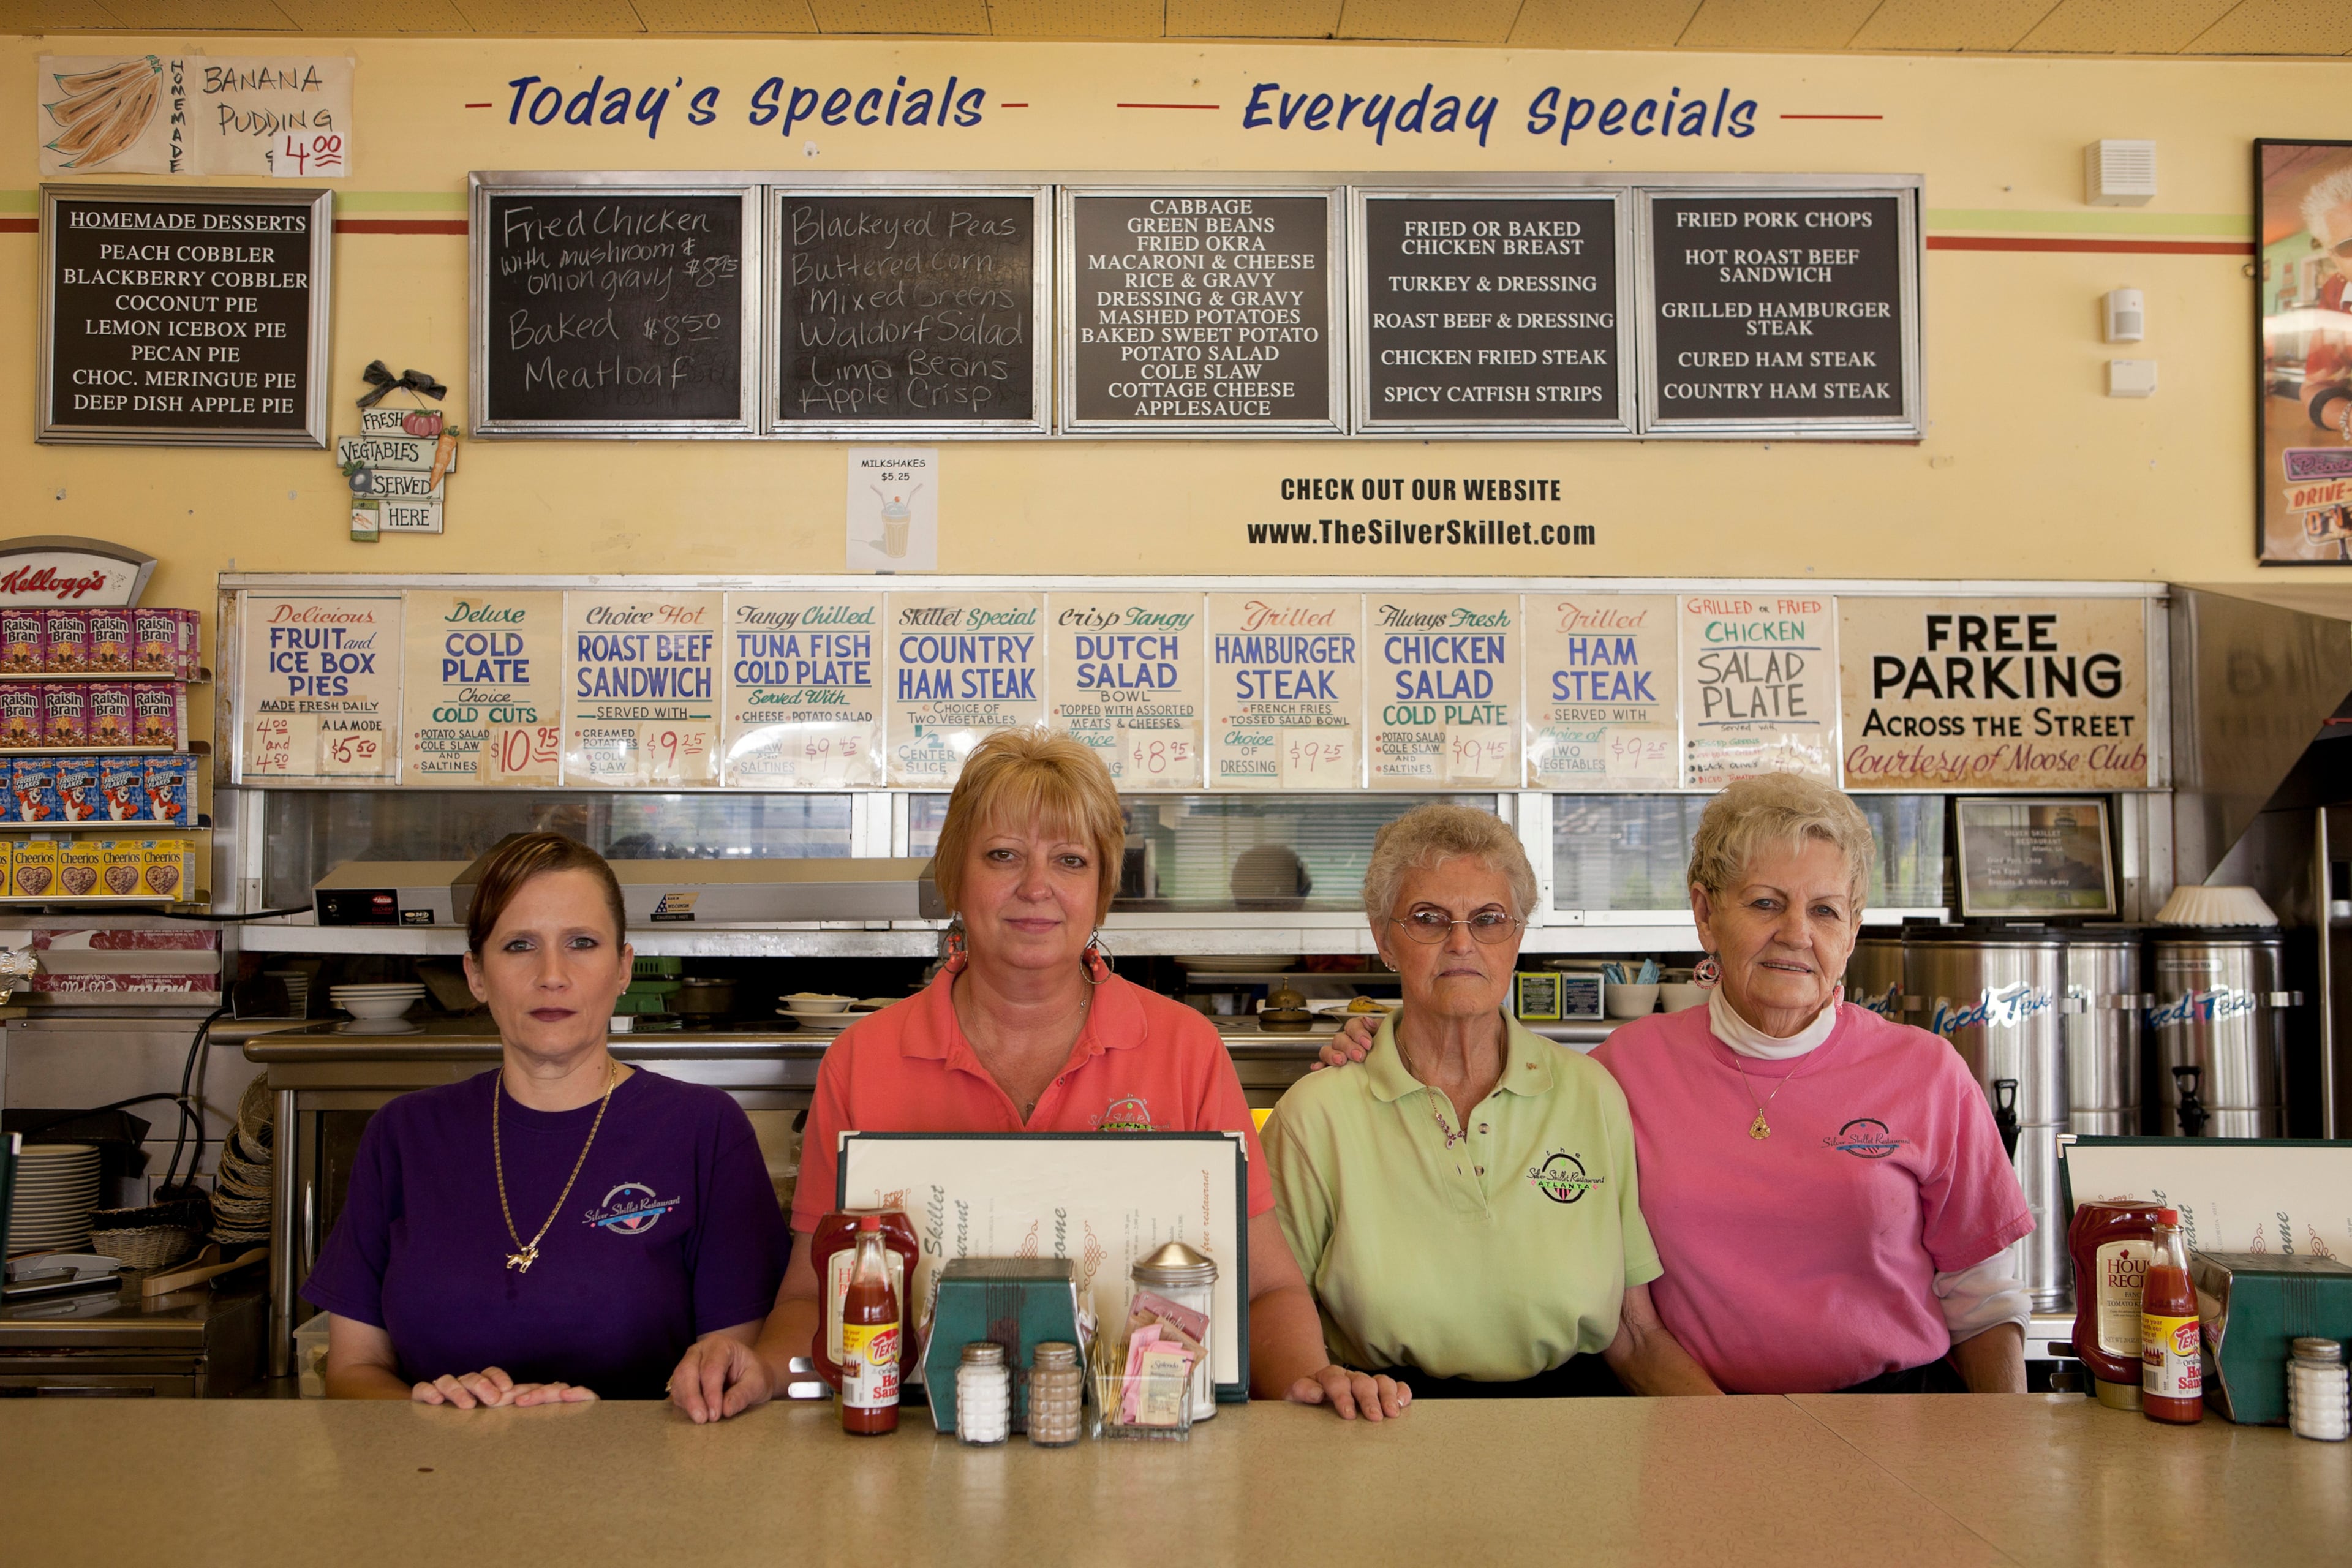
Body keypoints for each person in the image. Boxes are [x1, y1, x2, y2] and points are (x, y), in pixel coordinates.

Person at [670, 728, 1408, 1423]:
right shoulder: (862, 1061)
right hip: (918, 1448)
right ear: (955, 876)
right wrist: (762, 1369)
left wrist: (1311, 1378)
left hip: (1144, 1450)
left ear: (1102, 887)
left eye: (1070, 860)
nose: (1036, 886)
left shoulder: (1186, 1050)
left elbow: (1267, 1289)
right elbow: (810, 1298)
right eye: (1002, 855)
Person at [1328, 774, 2032, 1395]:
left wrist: (2003, 1458)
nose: (1796, 933)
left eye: (1825, 910)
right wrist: (1382, 1046)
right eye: (1765, 903)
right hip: (1684, 1421)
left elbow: (1985, 1303)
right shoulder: (1620, 1073)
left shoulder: (1928, 1073)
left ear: (1851, 931)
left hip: (1894, 1423)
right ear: (1705, 912)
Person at [307, 834, 790, 1406]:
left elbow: (730, 1378)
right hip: (433, 1462)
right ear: (476, 975)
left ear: (623, 968)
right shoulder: (403, 1135)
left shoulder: (704, 1131)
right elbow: (353, 1370)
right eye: (519, 946)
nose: (552, 974)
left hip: (649, 1463)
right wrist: (434, 1416)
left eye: (582, 943)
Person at [1265, 804, 1716, 1398]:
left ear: (1518, 936)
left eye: (1488, 919)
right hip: (1382, 1417)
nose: (1462, 943)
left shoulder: (1591, 1095)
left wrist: (1736, 1441)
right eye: (1428, 919)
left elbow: (1634, 1332)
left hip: (1575, 1424)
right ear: (1384, 939)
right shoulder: (1315, 1115)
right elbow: (1268, 1312)